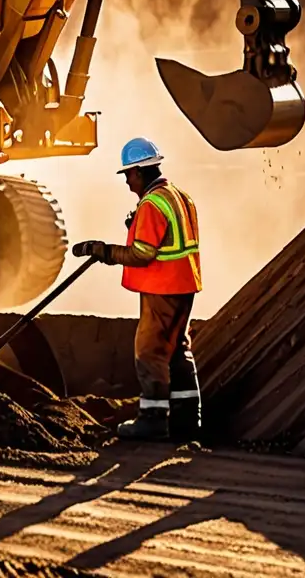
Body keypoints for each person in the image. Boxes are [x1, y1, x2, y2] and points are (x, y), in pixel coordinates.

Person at [72, 138, 203, 442]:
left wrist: (103, 251)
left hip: (163, 288)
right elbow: (168, 238)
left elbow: (142, 254)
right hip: (184, 285)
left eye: (129, 175)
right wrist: (135, 225)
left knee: (149, 352)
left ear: (141, 172)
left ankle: (153, 419)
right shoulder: (178, 196)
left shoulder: (151, 204)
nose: (128, 182)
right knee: (176, 351)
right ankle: (187, 420)